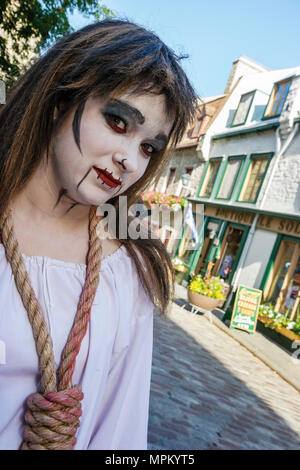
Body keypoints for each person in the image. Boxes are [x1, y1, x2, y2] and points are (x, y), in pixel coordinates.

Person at [0, 20, 197, 450]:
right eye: (118, 121)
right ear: (59, 101)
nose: (129, 159)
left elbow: (120, 432)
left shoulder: (127, 273)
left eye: (149, 147)